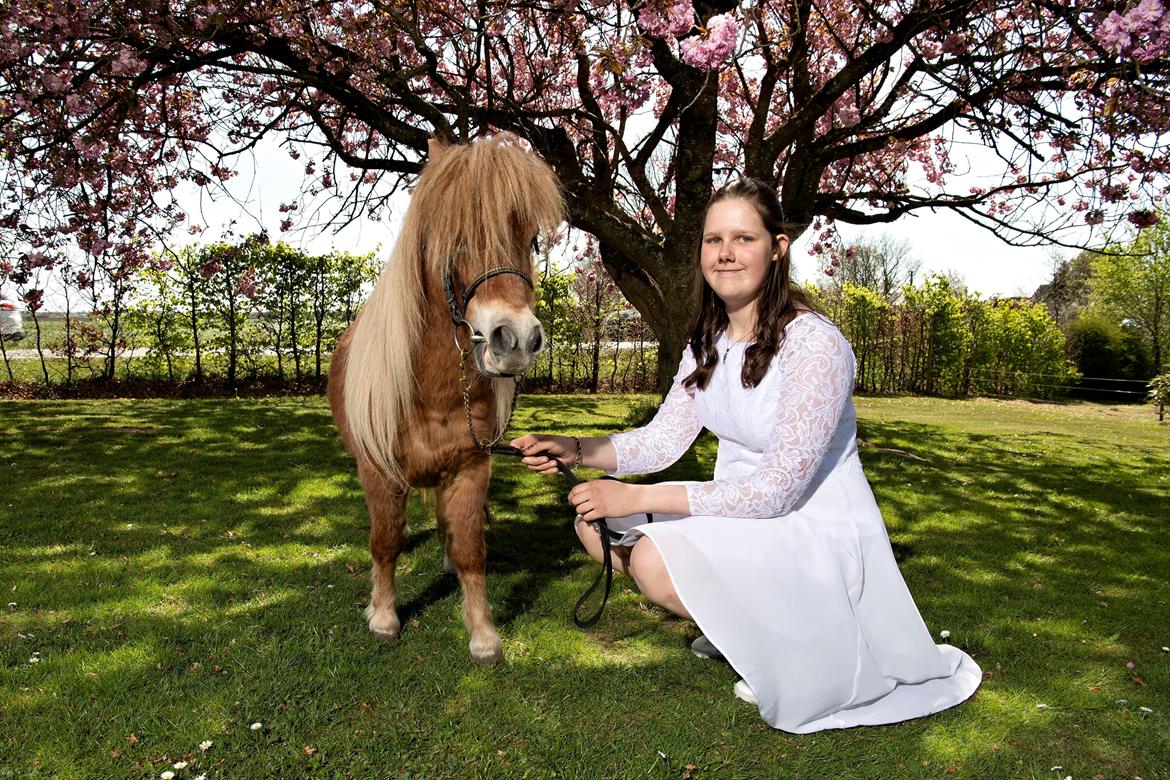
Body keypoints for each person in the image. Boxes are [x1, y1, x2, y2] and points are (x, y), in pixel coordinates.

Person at [510, 178, 981, 734]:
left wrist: (638, 496)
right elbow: (662, 439)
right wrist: (577, 448)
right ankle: (746, 622)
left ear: (778, 248)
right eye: (714, 240)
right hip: (739, 514)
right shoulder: (707, 342)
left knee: (652, 560)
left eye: (743, 238)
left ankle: (780, 635)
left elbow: (777, 490)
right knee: (596, 527)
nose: (726, 254)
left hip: (811, 525)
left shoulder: (816, 345)